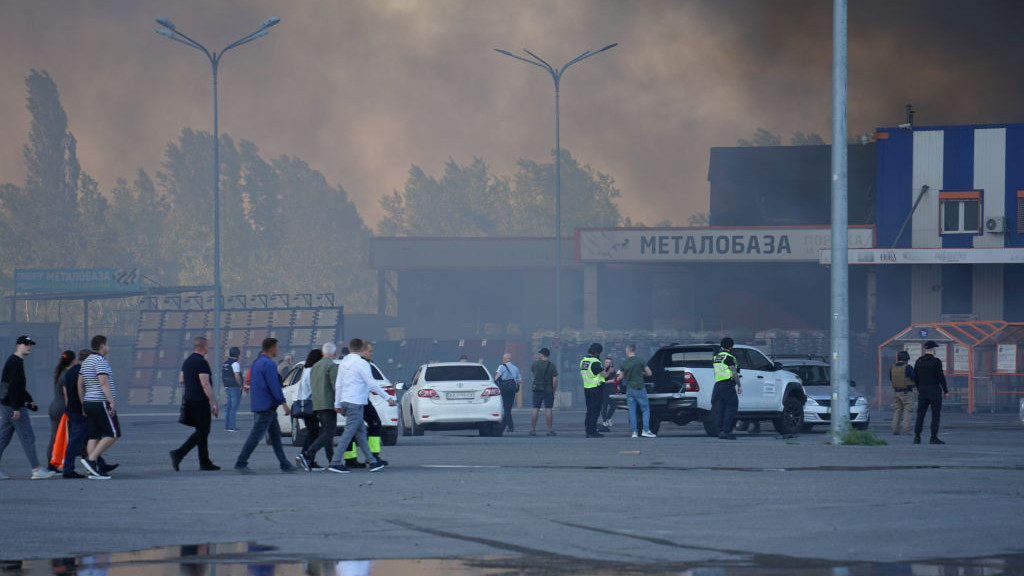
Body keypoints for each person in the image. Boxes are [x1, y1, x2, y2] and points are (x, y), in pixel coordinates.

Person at [327, 339, 395, 474]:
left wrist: (337, 403)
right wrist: (387, 398)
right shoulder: (362, 363)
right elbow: (372, 384)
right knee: (348, 433)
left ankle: (372, 461)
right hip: (356, 403)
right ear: (361, 348)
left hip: (346, 401)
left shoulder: (343, 363)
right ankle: (335, 462)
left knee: (361, 433)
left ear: (350, 348)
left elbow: (338, 385)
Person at [233, 338, 295, 473]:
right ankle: (241, 462)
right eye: (277, 347)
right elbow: (274, 386)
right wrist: (283, 403)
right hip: (267, 406)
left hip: (260, 404)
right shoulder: (269, 364)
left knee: (275, 436)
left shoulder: (256, 363)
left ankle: (284, 463)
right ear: (272, 348)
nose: (278, 350)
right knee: (256, 436)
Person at [0, 335, 55, 480]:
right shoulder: (15, 362)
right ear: (18, 345)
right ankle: (36, 469)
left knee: (3, 439)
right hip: (13, 407)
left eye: (30, 344)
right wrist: (17, 408)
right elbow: (13, 387)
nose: (29, 346)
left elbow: (18, 387)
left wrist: (29, 401)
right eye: (26, 344)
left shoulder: (15, 361)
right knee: (27, 437)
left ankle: (36, 469)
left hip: (7, 406)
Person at [170, 336, 220, 471]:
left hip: (189, 399)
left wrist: (192, 383)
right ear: (204, 347)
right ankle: (179, 453)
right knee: (204, 431)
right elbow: (205, 383)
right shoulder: (201, 362)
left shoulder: (188, 361)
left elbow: (181, 379)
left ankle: (204, 462)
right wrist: (214, 402)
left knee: (201, 431)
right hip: (200, 401)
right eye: (207, 346)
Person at [79, 335, 120, 479]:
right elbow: (103, 382)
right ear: (102, 345)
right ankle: (91, 460)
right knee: (113, 433)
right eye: (107, 345)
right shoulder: (100, 360)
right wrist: (111, 402)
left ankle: (93, 470)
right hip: (100, 401)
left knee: (94, 435)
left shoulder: (86, 361)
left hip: (89, 401)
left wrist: (83, 401)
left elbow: (81, 383)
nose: (108, 347)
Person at [297, 341, 339, 471]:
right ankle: (308, 455)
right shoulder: (331, 366)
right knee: (328, 433)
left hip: (317, 405)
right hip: (328, 404)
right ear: (334, 353)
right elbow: (335, 386)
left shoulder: (314, 367)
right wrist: (338, 403)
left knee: (326, 433)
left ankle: (331, 459)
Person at [61, 349, 92, 479]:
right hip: (80, 411)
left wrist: (68, 408)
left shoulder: (68, 373)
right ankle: (68, 469)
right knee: (76, 440)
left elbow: (66, 393)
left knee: (87, 439)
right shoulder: (83, 372)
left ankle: (98, 464)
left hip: (72, 409)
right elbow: (83, 390)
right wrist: (85, 407)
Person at [913, 340, 949, 445]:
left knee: (920, 414)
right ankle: (933, 437)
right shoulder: (936, 361)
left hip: (922, 390)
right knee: (935, 415)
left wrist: (919, 387)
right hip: (934, 390)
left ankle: (917, 437)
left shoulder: (918, 361)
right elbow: (941, 377)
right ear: (933, 349)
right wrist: (945, 390)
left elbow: (915, 377)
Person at [293, 348, 323, 470]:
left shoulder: (306, 370)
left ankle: (305, 456)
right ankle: (306, 456)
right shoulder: (312, 371)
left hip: (304, 404)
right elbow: (313, 389)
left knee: (312, 432)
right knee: (314, 433)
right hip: (310, 405)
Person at [46, 350, 75, 472]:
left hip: (54, 407)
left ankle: (51, 463)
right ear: (72, 361)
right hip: (63, 409)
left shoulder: (59, 373)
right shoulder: (67, 375)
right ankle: (61, 462)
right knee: (66, 437)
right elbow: (67, 395)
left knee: (54, 436)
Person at [619, 343, 655, 438]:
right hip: (639, 387)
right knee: (645, 409)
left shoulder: (624, 363)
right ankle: (645, 430)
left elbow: (620, 377)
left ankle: (634, 432)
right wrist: (642, 373)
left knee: (632, 411)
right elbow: (649, 373)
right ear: (634, 350)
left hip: (629, 389)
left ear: (629, 350)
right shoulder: (640, 361)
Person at [581, 343, 615, 438]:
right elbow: (604, 375)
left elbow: (593, 372)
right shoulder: (594, 362)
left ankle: (588, 429)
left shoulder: (584, 361)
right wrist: (610, 371)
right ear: (597, 352)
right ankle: (592, 431)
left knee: (589, 410)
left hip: (587, 388)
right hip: (595, 389)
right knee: (595, 411)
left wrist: (604, 369)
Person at [711, 337, 742, 440]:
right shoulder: (729, 357)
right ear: (730, 346)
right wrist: (739, 385)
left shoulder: (716, 357)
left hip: (718, 386)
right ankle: (726, 431)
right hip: (727, 385)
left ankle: (720, 431)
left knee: (721, 409)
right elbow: (734, 372)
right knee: (732, 406)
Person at [529, 348, 558, 437]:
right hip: (548, 390)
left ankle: (533, 430)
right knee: (548, 409)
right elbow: (555, 379)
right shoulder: (552, 365)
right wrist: (553, 389)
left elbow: (533, 374)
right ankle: (550, 429)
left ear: (542, 354)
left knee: (535, 408)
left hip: (537, 389)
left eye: (540, 353)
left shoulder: (535, 363)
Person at [890, 350, 916, 436]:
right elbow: (914, 378)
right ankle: (906, 429)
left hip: (896, 392)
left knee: (897, 411)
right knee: (908, 411)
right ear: (907, 359)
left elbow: (891, 378)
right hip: (907, 392)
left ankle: (895, 429)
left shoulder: (892, 367)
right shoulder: (908, 367)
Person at [493, 353, 521, 433]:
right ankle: (504, 427)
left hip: (504, 390)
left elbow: (496, 378)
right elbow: (519, 380)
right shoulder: (515, 368)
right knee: (508, 409)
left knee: (506, 409)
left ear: (505, 359)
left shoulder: (501, 367)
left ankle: (510, 426)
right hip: (512, 390)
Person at [221, 346, 243, 432]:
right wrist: (240, 385)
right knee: (234, 407)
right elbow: (237, 376)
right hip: (234, 387)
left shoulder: (225, 363)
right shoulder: (235, 364)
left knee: (228, 407)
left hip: (227, 387)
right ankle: (231, 426)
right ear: (238, 355)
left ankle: (227, 426)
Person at [599, 356, 618, 432]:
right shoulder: (601, 370)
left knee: (613, 405)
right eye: (607, 362)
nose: (608, 364)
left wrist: (609, 381)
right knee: (604, 407)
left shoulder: (613, 371)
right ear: (604, 363)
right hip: (603, 391)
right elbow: (600, 379)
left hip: (611, 390)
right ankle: (605, 421)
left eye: (610, 362)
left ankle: (608, 418)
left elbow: (616, 380)